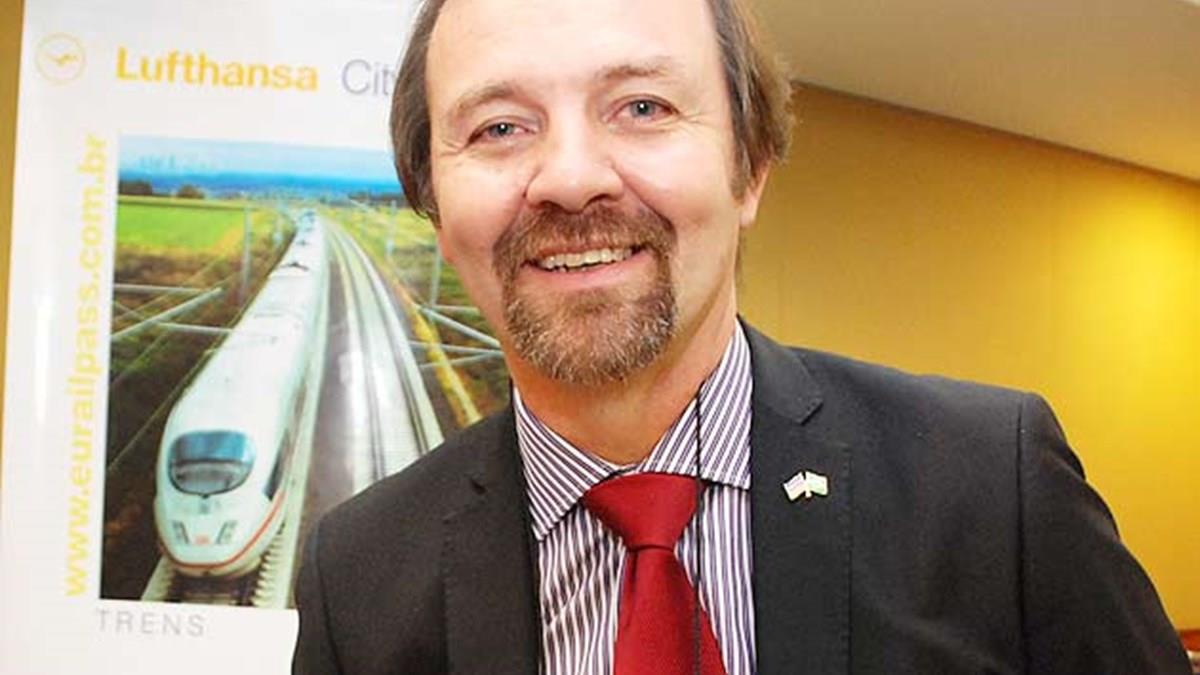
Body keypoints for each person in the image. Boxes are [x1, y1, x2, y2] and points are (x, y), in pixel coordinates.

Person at [292, 0, 1190, 673]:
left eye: (642, 107)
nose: (569, 177)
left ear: (750, 165)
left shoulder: (992, 490)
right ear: (434, 204)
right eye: (499, 127)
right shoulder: (360, 577)